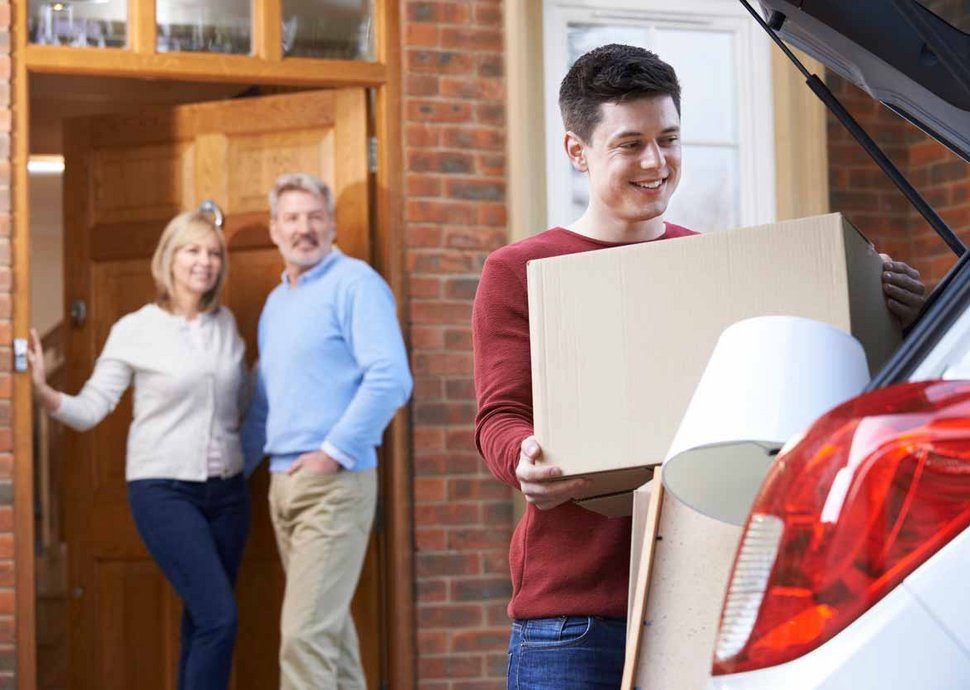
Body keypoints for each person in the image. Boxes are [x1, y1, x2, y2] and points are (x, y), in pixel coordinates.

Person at [472, 43, 927, 689]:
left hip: (701, 598)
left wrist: (899, 320)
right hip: (575, 616)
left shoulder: (716, 267)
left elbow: (802, 400)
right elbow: (500, 415)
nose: (656, 162)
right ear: (577, 151)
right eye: (631, 144)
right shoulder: (520, 271)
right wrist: (523, 457)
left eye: (670, 138)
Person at [28, 211, 250, 690]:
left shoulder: (226, 324)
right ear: (169, 258)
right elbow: (91, 407)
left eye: (213, 253)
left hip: (230, 495)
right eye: (193, 250)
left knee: (203, 619)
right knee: (219, 618)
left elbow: (242, 402)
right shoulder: (136, 328)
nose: (204, 261)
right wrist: (43, 392)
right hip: (165, 492)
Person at [241, 172, 412, 690]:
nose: (304, 228)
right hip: (282, 483)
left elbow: (390, 379)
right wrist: (233, 471)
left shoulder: (355, 283)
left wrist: (332, 454)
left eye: (315, 217)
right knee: (328, 640)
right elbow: (265, 401)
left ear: (333, 225)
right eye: (292, 218)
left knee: (304, 639)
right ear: (274, 230)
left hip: (334, 485)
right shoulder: (277, 303)